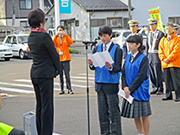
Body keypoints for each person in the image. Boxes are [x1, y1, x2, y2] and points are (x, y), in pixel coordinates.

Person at [28, 8, 60, 135]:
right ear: (41, 21)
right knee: (47, 107)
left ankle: (40, 131)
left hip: (35, 73)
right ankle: (46, 133)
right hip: (45, 74)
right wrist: (58, 70)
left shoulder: (31, 36)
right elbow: (54, 55)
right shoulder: (44, 35)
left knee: (40, 105)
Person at [88, 26, 123, 135]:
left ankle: (116, 133)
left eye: (105, 35)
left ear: (110, 35)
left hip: (111, 83)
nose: (102, 38)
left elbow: (118, 67)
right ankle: (105, 133)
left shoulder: (117, 49)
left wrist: (110, 67)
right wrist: (91, 64)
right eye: (101, 36)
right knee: (102, 112)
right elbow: (93, 67)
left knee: (113, 112)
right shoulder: (96, 48)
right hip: (99, 83)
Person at [121, 34, 151, 135]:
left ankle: (146, 133)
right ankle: (140, 133)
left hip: (140, 89)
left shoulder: (144, 58)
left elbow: (141, 76)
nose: (129, 45)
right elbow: (123, 73)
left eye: (132, 43)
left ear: (138, 45)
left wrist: (130, 89)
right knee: (136, 114)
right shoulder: (128, 56)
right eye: (128, 43)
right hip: (129, 89)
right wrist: (125, 87)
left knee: (144, 114)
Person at [158, 22, 180, 102]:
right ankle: (168, 95)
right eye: (166, 28)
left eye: (169, 28)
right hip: (165, 63)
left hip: (174, 63)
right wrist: (163, 59)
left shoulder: (177, 39)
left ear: (173, 29)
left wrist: (169, 59)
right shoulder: (163, 39)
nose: (167, 30)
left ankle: (178, 95)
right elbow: (160, 51)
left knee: (176, 80)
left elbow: (176, 51)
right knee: (166, 81)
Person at [52, 26, 74, 95]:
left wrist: (66, 35)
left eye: (61, 30)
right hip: (59, 59)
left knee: (67, 75)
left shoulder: (65, 37)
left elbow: (70, 42)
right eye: (59, 30)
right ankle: (62, 89)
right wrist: (56, 35)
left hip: (66, 58)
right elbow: (52, 43)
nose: (60, 32)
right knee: (60, 74)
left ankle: (69, 89)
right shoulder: (56, 38)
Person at [146, 18, 164, 95]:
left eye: (152, 25)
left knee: (157, 72)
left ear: (156, 25)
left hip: (156, 54)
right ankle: (154, 87)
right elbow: (147, 45)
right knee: (152, 72)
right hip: (150, 54)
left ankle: (160, 87)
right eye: (150, 25)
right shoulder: (149, 34)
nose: (151, 26)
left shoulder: (160, 33)